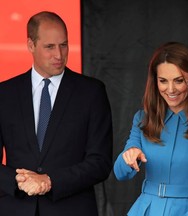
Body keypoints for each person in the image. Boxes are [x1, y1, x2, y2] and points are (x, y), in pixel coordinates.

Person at [0, 11, 113, 216]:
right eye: (49, 47)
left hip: (73, 209)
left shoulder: (92, 92)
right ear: (30, 45)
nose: (59, 55)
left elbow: (100, 162)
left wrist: (50, 181)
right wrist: (18, 180)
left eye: (64, 45)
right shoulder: (4, 94)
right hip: (15, 208)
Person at [113, 42, 188, 216]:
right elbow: (120, 174)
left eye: (179, 81)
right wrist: (129, 156)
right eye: (163, 81)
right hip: (145, 209)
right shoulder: (143, 119)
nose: (170, 89)